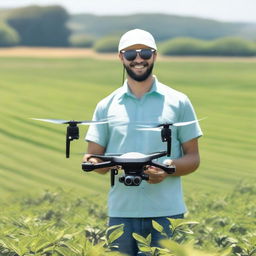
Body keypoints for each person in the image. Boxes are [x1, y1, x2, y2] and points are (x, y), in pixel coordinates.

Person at [83, 28, 203, 256]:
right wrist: (107, 164)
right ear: (120, 58)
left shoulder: (179, 102)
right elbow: (91, 157)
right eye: (130, 54)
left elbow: (193, 158)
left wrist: (166, 169)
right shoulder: (106, 105)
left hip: (167, 214)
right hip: (121, 214)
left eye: (145, 53)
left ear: (155, 56)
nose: (138, 59)